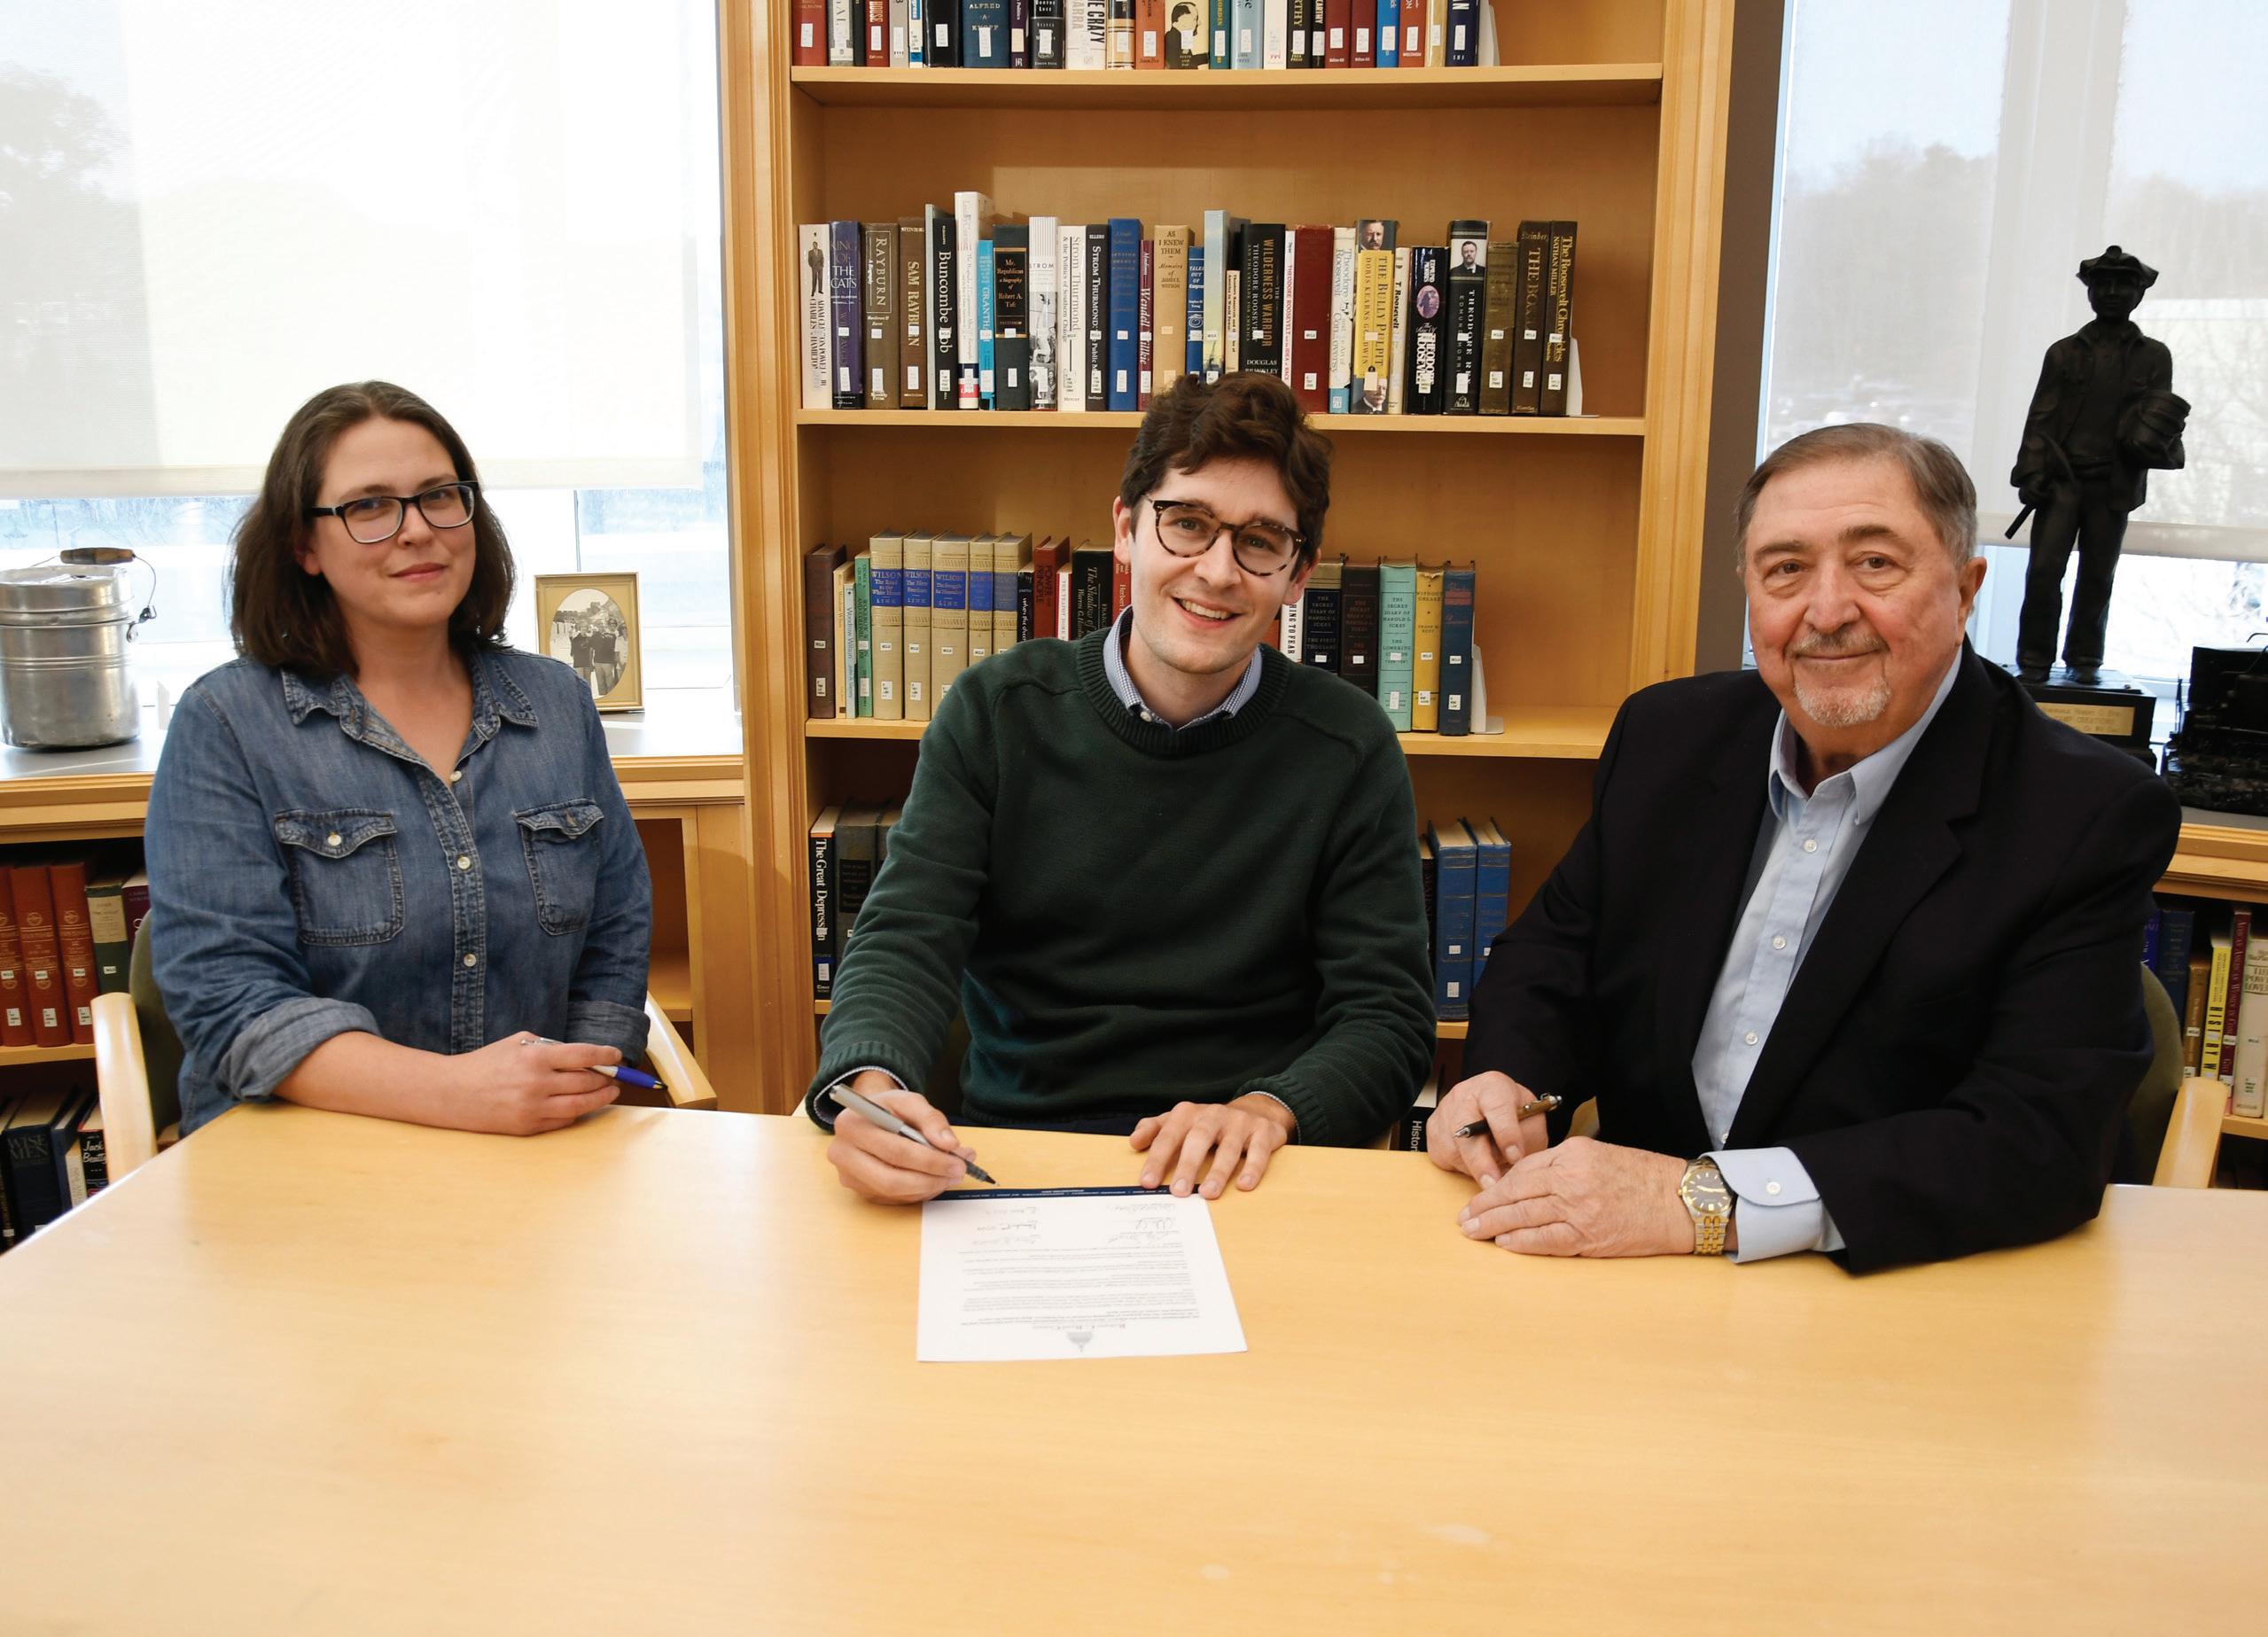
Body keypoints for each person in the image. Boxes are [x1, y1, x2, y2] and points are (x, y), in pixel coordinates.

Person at [1432, 423, 2180, 1271]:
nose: (1826, 612)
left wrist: (1705, 1202)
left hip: (1902, 1282)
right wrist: (1508, 1082)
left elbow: (2037, 1136)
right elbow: (1554, 957)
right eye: (1785, 569)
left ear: (1965, 589)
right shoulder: (1667, 737)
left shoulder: (2083, 811)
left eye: (1874, 563)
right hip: (1634, 1267)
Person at [809, 370, 1434, 1204]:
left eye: (1259, 541)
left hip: (1245, 1171)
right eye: (1187, 524)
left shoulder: (1348, 746)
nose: (1217, 571)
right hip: (1017, 1156)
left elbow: (1387, 1017)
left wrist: (1269, 1109)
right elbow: (905, 937)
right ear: (1126, 530)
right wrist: (871, 1087)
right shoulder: (996, 710)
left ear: (1298, 574)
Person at [144, 381, 652, 1137]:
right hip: (299, 1152)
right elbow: (229, 1002)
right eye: (370, 506)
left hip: (531, 1149)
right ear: (303, 545)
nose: (417, 530)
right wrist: (455, 1094)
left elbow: (615, 933)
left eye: (438, 496)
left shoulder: (555, 703)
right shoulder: (226, 723)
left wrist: (579, 1078)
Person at [2011, 245, 2187, 683]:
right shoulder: (2064, 353)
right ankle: (2034, 658)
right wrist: (2032, 473)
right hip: (2061, 481)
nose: (2111, 293)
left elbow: (2160, 420)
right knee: (2044, 571)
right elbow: (2041, 417)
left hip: (2113, 484)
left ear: (2139, 294)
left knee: (2098, 574)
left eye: (2123, 286)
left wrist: (2154, 443)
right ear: (2089, 291)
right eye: (2102, 284)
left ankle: (2085, 658)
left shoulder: (2154, 356)